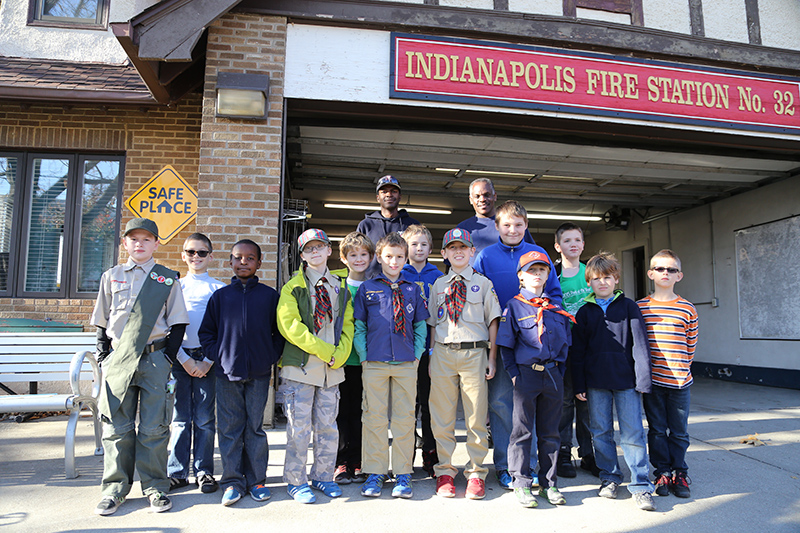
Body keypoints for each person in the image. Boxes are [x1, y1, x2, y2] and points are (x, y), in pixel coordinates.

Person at [91, 217, 189, 516]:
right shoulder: (111, 276)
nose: (140, 243)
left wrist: (167, 358)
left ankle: (156, 487)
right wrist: (104, 356)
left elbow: (178, 322)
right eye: (134, 238)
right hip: (118, 361)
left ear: (156, 243)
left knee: (154, 428)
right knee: (116, 428)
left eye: (146, 239)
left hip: (153, 359)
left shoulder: (166, 278)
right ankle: (115, 489)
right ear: (125, 243)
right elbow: (101, 321)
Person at [473, 200, 562, 489]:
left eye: (519, 225)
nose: (513, 230)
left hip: (534, 342)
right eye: (507, 225)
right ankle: (504, 465)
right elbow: (473, 294)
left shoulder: (538, 255)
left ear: (527, 226)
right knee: (500, 402)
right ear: (496, 226)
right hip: (500, 339)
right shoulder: (485, 256)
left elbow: (556, 296)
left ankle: (530, 466)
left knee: (530, 405)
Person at [198, 239, 285, 507]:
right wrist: (219, 355)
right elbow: (206, 333)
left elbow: (278, 333)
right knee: (229, 429)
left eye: (249, 258)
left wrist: (270, 357)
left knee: (254, 428)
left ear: (259, 263)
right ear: (230, 262)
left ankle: (257, 481)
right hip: (227, 374)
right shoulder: (221, 297)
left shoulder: (270, 296)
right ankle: (233, 482)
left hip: (259, 374)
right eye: (238, 258)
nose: (243, 262)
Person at [570, 251, 656, 512]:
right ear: (589, 283)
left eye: (607, 277)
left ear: (616, 279)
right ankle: (609, 477)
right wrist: (579, 385)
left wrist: (643, 379)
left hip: (627, 382)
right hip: (596, 383)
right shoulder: (585, 312)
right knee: (600, 432)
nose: (602, 283)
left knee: (632, 433)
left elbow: (640, 345)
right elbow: (578, 352)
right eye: (596, 279)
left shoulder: (629, 306)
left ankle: (641, 485)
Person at [277, 229, 354, 504]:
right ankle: (296, 482)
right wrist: (325, 351)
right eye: (309, 249)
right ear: (302, 255)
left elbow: (347, 325)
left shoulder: (339, 287)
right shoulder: (293, 287)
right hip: (301, 369)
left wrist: (340, 355)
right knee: (299, 429)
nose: (315, 252)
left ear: (329, 251)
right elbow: (290, 326)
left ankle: (323, 476)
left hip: (331, 372)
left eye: (319, 246)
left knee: (327, 427)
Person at [353, 232, 429, 499]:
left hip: (406, 363)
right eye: (389, 257)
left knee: (405, 418)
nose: (394, 262)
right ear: (379, 257)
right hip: (374, 361)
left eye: (399, 257)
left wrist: (417, 355)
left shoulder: (412, 289)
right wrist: (364, 356)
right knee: (373, 417)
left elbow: (420, 326)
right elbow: (359, 326)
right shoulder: (367, 288)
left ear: (405, 257)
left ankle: (403, 473)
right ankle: (375, 472)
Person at [496, 251, 574, 508]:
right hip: (526, 375)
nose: (537, 275)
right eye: (531, 270)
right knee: (522, 431)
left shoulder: (556, 308)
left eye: (541, 270)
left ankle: (549, 484)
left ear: (548, 274)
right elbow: (506, 346)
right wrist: (515, 375)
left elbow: (565, 343)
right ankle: (521, 482)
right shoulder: (514, 306)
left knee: (551, 432)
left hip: (552, 375)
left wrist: (559, 372)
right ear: (520, 275)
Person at [428, 228, 500, 500]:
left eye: (464, 247)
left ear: (473, 251)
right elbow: (433, 323)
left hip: (474, 354)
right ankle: (445, 471)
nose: (458, 251)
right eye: (452, 248)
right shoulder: (438, 285)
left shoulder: (482, 284)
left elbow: (493, 320)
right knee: (442, 416)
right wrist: (433, 356)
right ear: (444, 254)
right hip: (444, 354)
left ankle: (476, 472)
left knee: (476, 416)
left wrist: (491, 358)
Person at [167, 233, 226, 494]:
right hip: (179, 357)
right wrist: (183, 358)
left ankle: (204, 471)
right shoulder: (174, 287)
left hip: (207, 358)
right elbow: (165, 326)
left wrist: (207, 361)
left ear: (210, 257)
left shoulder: (218, 289)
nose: (196, 257)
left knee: (204, 418)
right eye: (191, 252)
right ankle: (177, 472)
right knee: (180, 418)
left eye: (202, 253)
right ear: (183, 255)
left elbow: (224, 330)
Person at [637, 249, 698, 499]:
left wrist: (681, 368)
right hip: (653, 382)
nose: (665, 273)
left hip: (680, 382)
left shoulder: (687, 309)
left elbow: (690, 345)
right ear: (651, 273)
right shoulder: (641, 307)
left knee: (680, 431)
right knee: (657, 430)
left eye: (671, 269)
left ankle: (679, 472)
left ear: (679, 276)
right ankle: (662, 471)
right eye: (660, 269)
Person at [552, 223, 597, 479]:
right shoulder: (553, 275)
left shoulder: (591, 273)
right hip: (565, 347)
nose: (573, 244)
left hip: (589, 347)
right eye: (567, 240)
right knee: (565, 402)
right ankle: (564, 453)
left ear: (583, 244)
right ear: (558, 247)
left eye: (577, 240)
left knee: (588, 403)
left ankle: (589, 453)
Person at [334, 231, 375, 486]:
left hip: (367, 361)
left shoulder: (376, 285)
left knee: (364, 413)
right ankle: (341, 462)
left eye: (363, 254)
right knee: (341, 413)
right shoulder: (337, 286)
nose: (358, 259)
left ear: (371, 257)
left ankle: (360, 460)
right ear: (344, 258)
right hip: (340, 360)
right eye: (353, 255)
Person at [400, 224, 441, 477]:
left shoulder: (437, 276)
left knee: (429, 404)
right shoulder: (398, 274)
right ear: (405, 248)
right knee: (405, 406)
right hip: (404, 350)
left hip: (429, 351)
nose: (418, 248)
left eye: (423, 244)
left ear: (430, 249)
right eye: (413, 244)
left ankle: (430, 453)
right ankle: (405, 457)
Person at [356, 175, 420, 278]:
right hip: (373, 284)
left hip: (405, 284)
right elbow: (357, 256)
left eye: (393, 191)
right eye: (384, 192)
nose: (389, 194)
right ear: (378, 197)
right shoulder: (366, 225)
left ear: (400, 196)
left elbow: (420, 255)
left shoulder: (412, 226)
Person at [457, 178, 534, 259]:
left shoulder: (513, 225)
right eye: (477, 196)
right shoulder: (462, 229)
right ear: (471, 199)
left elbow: (532, 254)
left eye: (487, 195)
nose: (482, 199)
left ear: (495, 196)